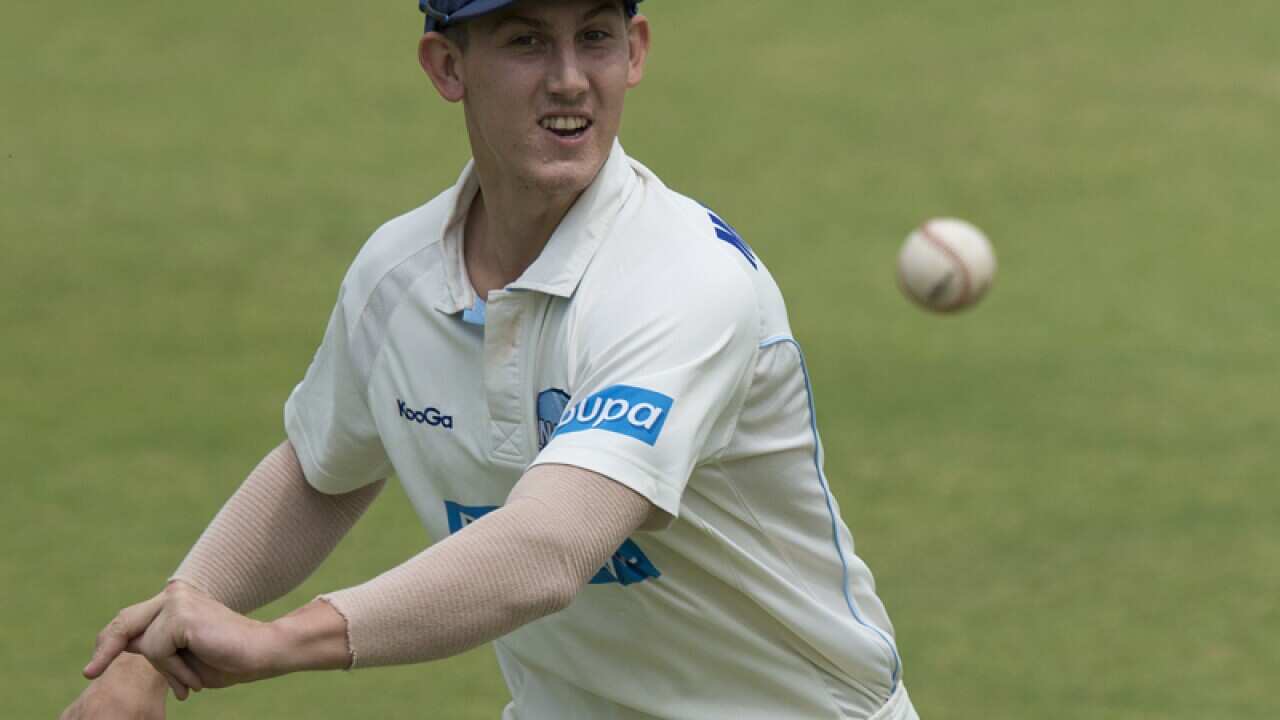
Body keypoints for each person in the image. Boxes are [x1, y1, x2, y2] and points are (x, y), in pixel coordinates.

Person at [62, 1, 920, 718]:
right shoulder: (397, 277)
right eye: (523, 40)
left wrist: (281, 641)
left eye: (595, 36)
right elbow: (319, 471)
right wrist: (160, 640)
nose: (569, 79)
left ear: (637, 52)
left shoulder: (686, 284)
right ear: (446, 66)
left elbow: (548, 550)